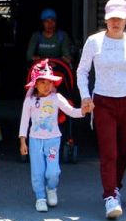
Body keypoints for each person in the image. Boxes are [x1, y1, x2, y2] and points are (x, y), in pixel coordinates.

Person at [76, 0, 126, 219]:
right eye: (111, 19)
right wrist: (85, 96)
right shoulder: (94, 42)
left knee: (124, 151)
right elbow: (82, 72)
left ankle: (116, 188)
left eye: (120, 18)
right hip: (103, 102)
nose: (115, 22)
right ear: (105, 20)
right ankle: (109, 196)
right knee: (109, 151)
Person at [19, 59, 92, 212]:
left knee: (53, 171)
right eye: (43, 82)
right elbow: (24, 121)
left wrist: (83, 111)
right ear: (35, 84)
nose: (47, 86)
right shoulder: (30, 101)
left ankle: (51, 188)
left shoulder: (56, 98)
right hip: (35, 141)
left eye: (49, 82)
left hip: (52, 141)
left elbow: (71, 111)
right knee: (37, 171)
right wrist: (23, 141)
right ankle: (40, 197)